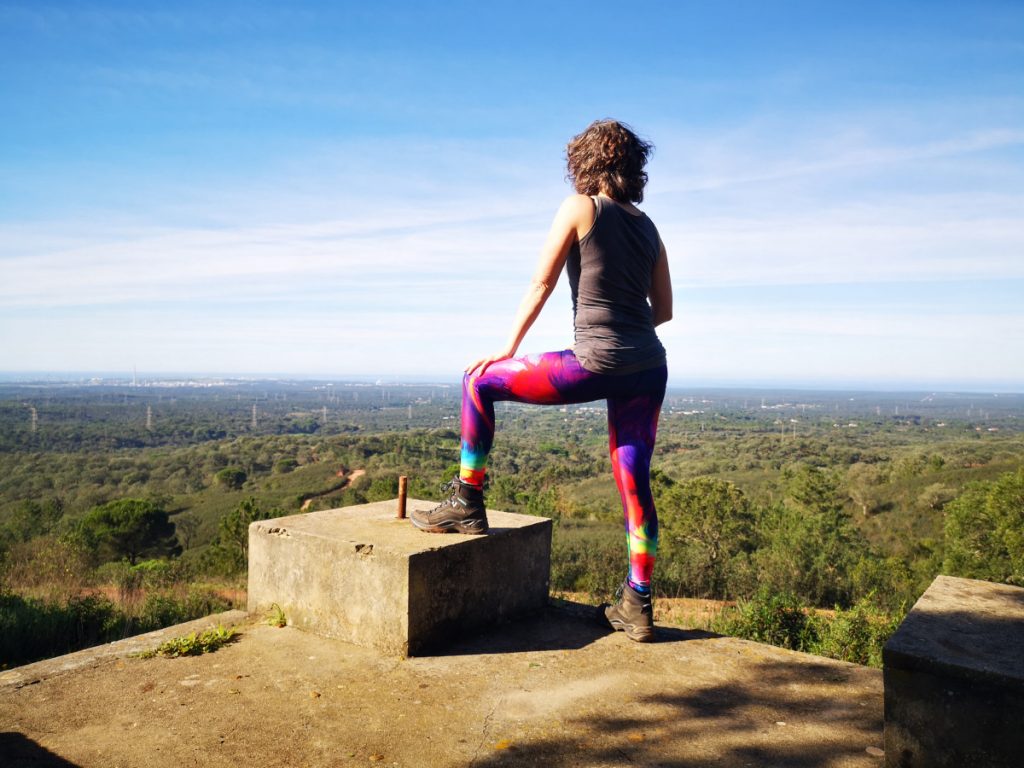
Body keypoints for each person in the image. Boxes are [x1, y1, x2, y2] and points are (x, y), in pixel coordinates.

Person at [410, 119, 673, 642]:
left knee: (477, 382)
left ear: (586, 163)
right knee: (634, 483)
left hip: (594, 360)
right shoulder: (649, 227)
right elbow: (663, 311)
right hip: (647, 367)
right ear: (632, 167)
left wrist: (507, 348)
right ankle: (637, 606)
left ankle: (467, 500)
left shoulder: (581, 207)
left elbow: (542, 281)